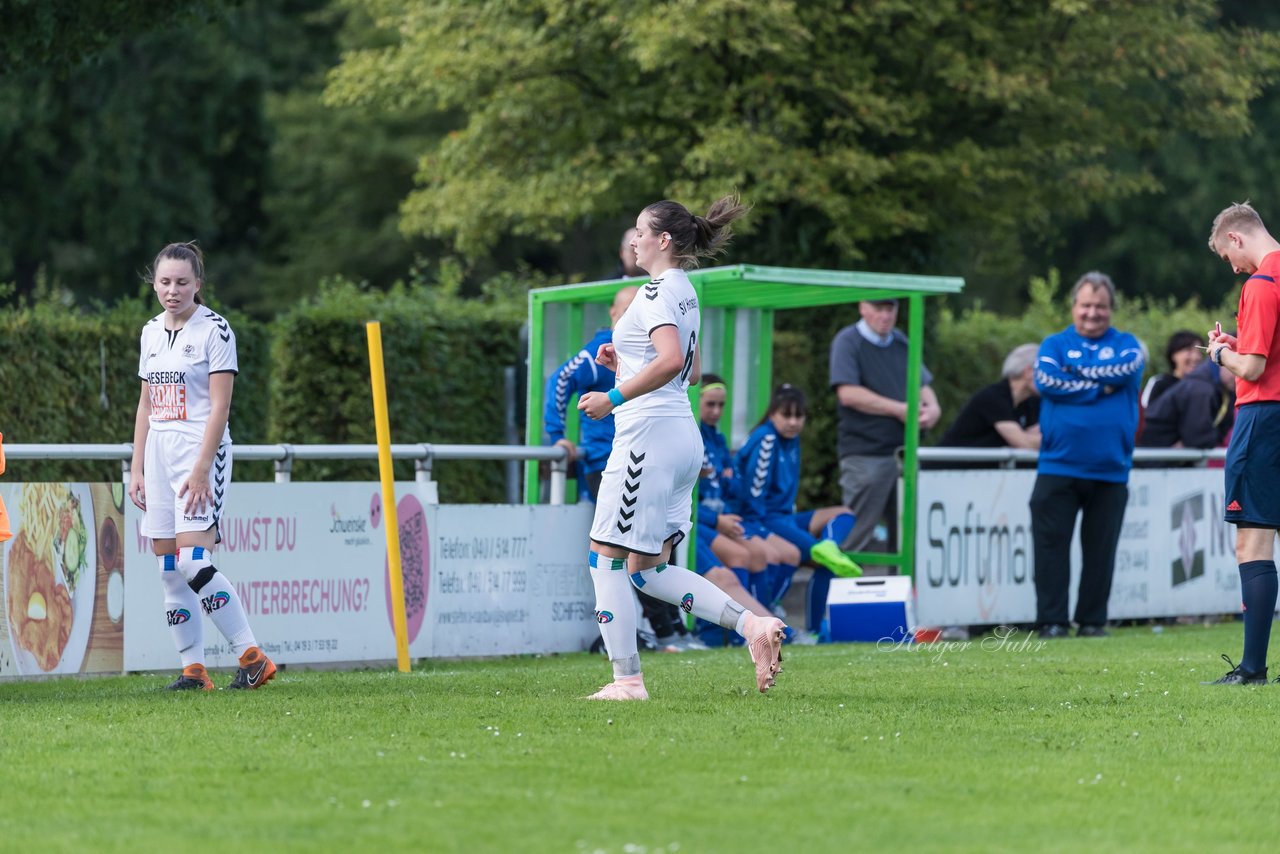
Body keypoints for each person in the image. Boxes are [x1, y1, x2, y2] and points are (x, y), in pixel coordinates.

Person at [576, 194, 786, 701]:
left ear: (662, 240)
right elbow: (688, 370)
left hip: (647, 440)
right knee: (647, 573)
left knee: (604, 558)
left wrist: (611, 395)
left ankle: (627, 682)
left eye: (639, 231)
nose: (633, 238)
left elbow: (671, 362)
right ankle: (752, 627)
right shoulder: (684, 290)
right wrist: (622, 364)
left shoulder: (652, 294)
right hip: (679, 439)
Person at [129, 242, 275, 691]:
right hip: (158, 454)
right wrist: (136, 467)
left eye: (182, 283)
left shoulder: (216, 330)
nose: (173, 291)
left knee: (194, 562)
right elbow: (145, 405)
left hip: (198, 451)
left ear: (198, 285)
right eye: (165, 282)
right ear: (154, 283)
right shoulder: (150, 332)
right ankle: (194, 669)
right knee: (169, 568)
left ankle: (252, 657)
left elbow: (220, 407)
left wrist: (200, 467)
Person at [1030, 271, 1145, 639]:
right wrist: (1100, 386)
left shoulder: (1128, 345)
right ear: (1073, 307)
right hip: (1057, 464)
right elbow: (1047, 380)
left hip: (1110, 469)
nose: (1092, 313)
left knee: (1100, 552)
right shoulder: (1053, 344)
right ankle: (1052, 621)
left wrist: (1074, 375)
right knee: (1050, 549)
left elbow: (1126, 369)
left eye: (1100, 306)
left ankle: (1093, 621)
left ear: (1110, 309)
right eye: (1085, 305)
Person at [1201, 202, 1280, 684]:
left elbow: (1251, 368)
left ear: (1236, 238)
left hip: (1264, 417)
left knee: (1252, 541)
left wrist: (1219, 352)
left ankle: (1252, 668)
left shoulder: (1260, 283)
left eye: (1227, 256)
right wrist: (1241, 343)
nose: (1232, 268)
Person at [731, 384, 862, 637]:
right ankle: (772, 613)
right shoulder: (767, 439)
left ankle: (814, 630)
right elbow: (754, 496)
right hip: (763, 520)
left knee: (843, 513)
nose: (793, 422)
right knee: (807, 557)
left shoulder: (792, 440)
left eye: (798, 416)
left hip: (784, 517)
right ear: (772, 414)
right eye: (786, 415)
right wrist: (760, 530)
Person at [829, 298, 942, 558]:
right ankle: (835, 595)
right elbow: (847, 393)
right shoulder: (848, 341)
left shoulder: (901, 341)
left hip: (904, 453)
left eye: (890, 309)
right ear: (862, 308)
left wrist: (933, 408)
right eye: (878, 308)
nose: (885, 315)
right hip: (865, 455)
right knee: (855, 537)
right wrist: (900, 410)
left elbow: (922, 384)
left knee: (908, 539)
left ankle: (900, 597)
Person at [543, 285, 639, 501]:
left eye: (639, 314)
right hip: (605, 461)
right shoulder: (602, 348)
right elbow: (560, 379)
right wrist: (557, 436)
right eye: (627, 312)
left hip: (637, 460)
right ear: (613, 311)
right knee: (615, 533)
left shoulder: (643, 348)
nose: (633, 320)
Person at [938, 343, 1041, 449]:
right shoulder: (993, 397)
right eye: (1046, 372)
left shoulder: (1030, 401)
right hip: (949, 464)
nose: (1050, 379)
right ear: (1028, 372)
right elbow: (1022, 443)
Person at [1136, 357, 1236, 450]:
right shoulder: (1200, 389)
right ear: (1223, 362)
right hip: (1154, 455)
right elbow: (1198, 437)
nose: (1240, 376)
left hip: (1167, 456)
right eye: (1236, 368)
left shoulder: (1224, 390)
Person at [1141, 330, 1205, 411]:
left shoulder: (1202, 386)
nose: (1195, 357)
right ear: (1174, 354)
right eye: (1189, 350)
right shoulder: (1160, 383)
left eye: (1199, 352)